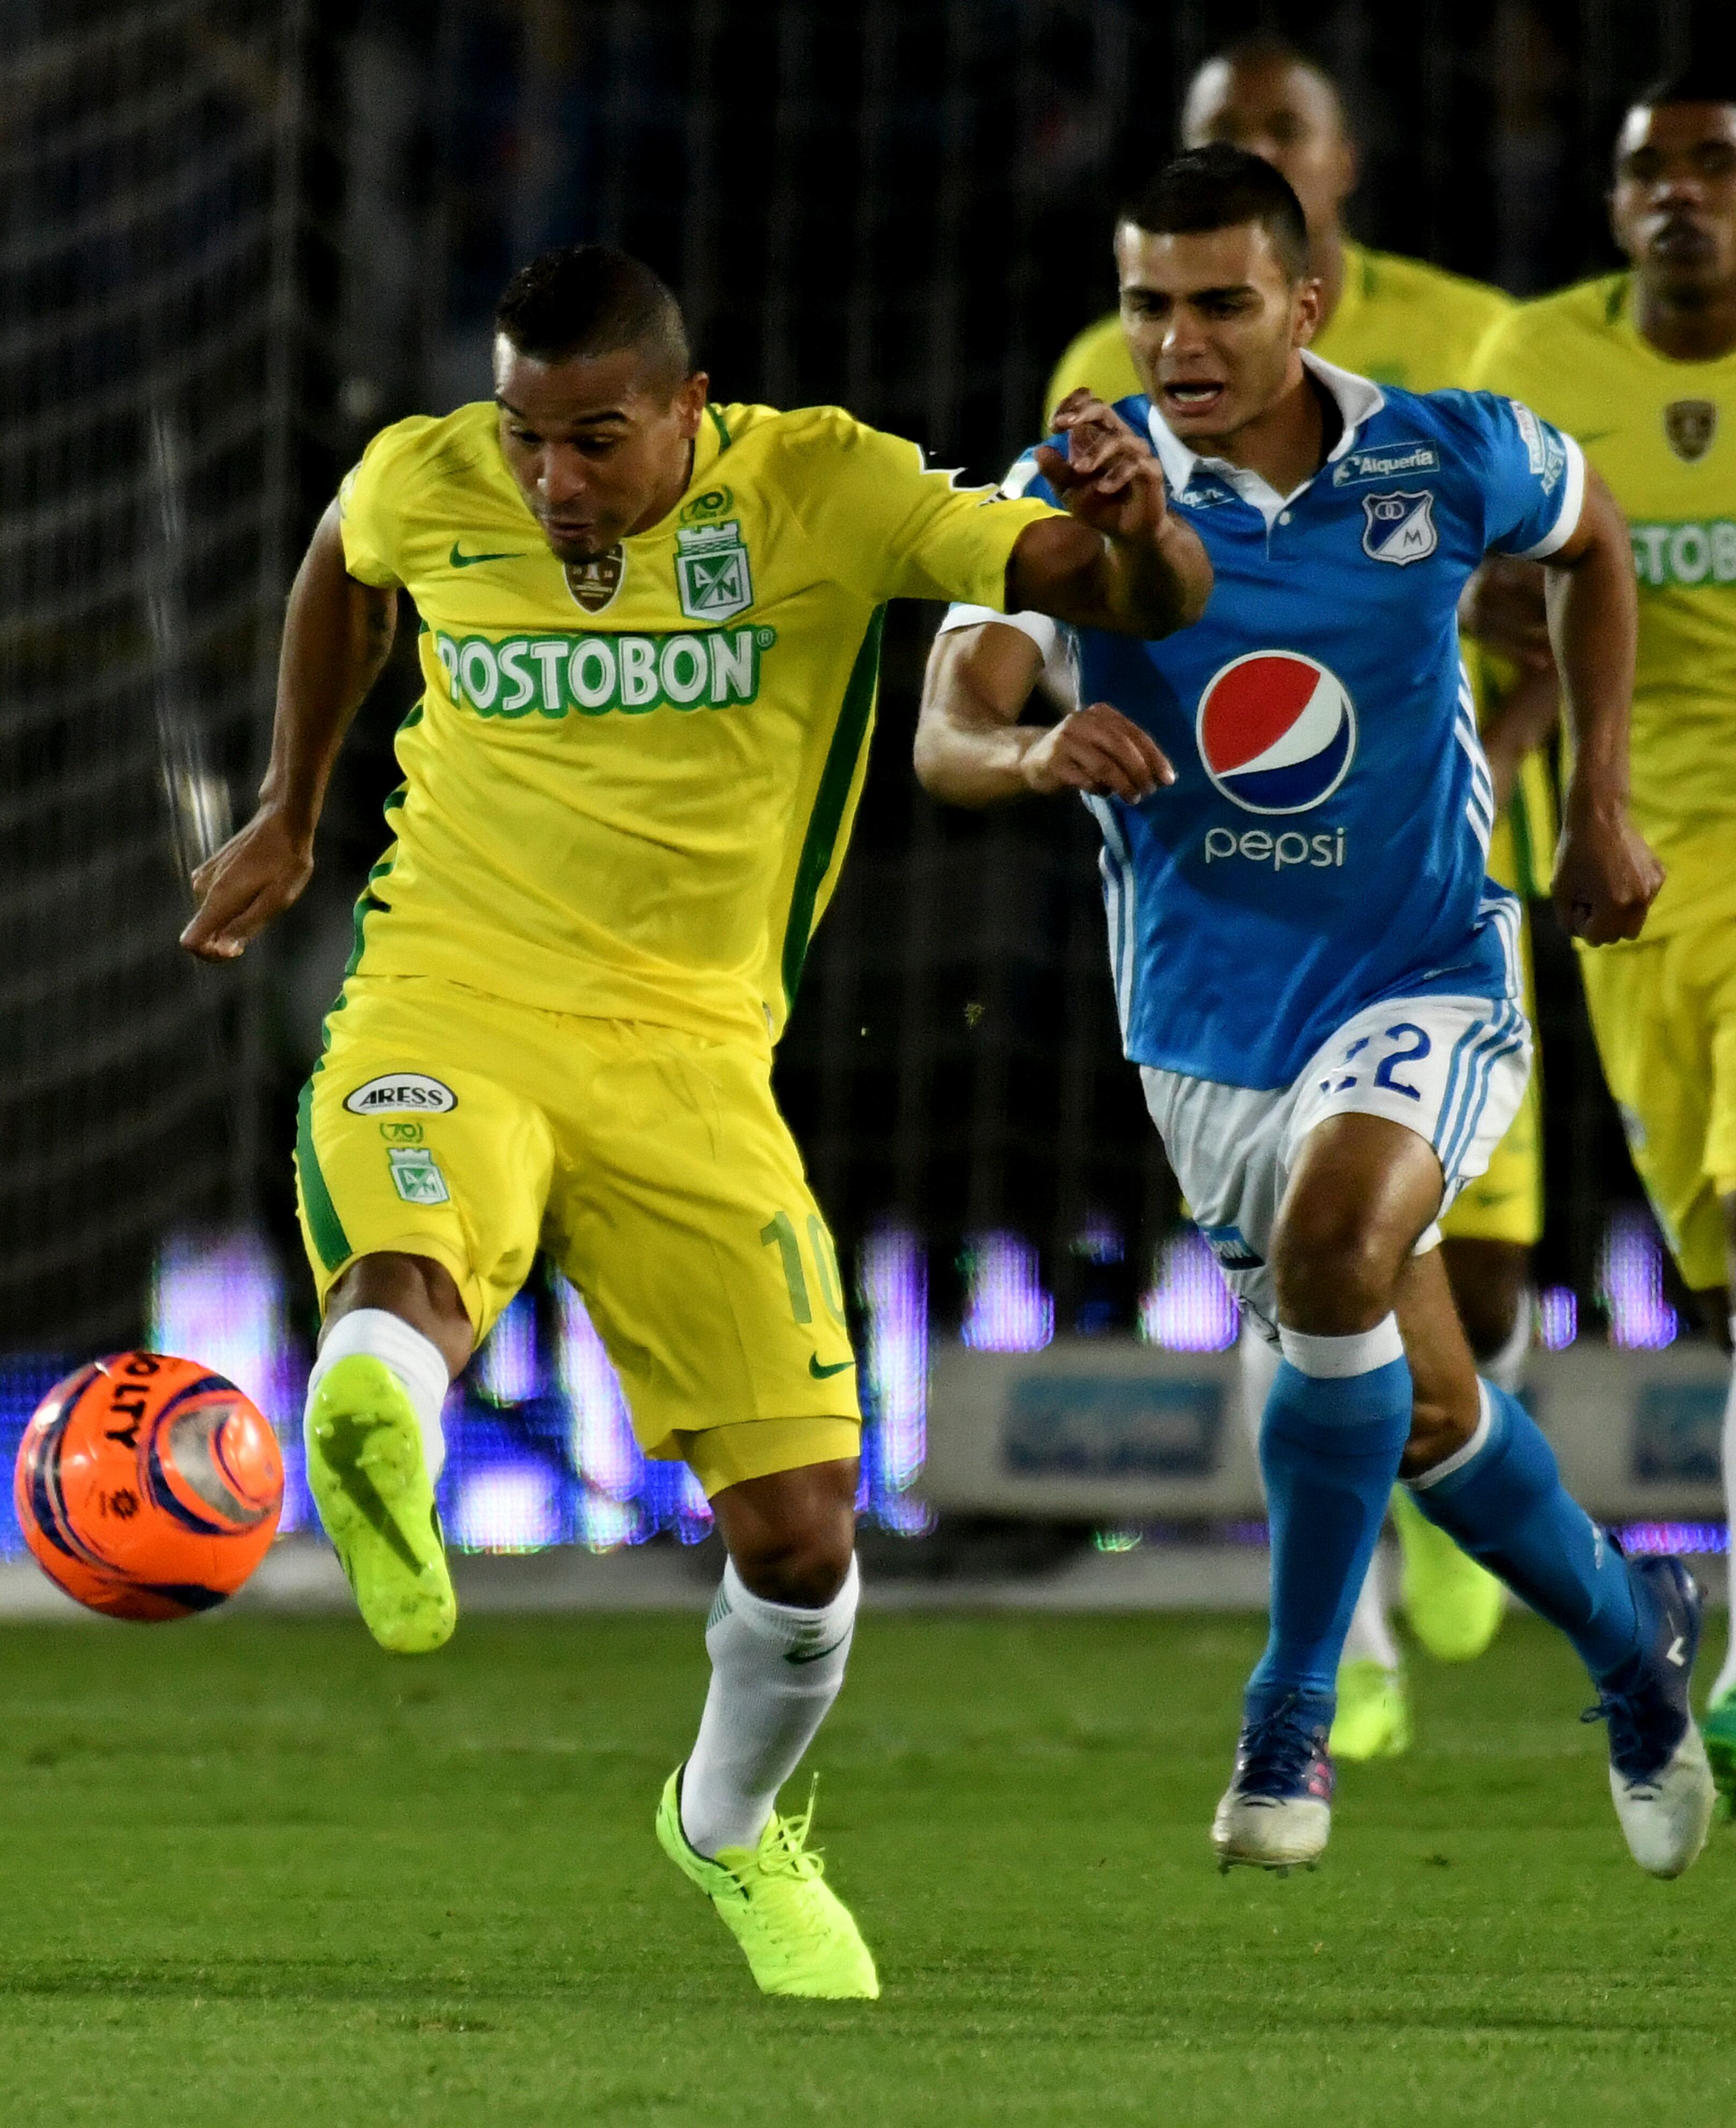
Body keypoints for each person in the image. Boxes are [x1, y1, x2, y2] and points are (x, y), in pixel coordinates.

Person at [178, 244, 1211, 1999]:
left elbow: (1120, 595)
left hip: (688, 1057)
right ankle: (379, 1438)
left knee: (804, 1536)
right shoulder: (433, 472)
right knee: (407, 1273)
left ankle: (725, 1825)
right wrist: (290, 808)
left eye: (595, 441)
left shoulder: (825, 483)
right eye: (527, 439)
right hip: (449, 994)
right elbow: (347, 566)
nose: (551, 480)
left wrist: (1134, 528)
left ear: (689, 407)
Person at [916, 146, 1714, 1879]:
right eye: (1145, 304)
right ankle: (1629, 1635)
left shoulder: (1449, 450)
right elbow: (943, 728)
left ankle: (1285, 1719)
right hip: (1207, 1026)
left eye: (1215, 302)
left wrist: (1592, 800)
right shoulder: (1068, 492)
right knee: (1422, 1411)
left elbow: (1596, 540)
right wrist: (1037, 744)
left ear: (1305, 300)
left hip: (1426, 965)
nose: (1176, 339)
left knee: (1347, 1242)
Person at [1051, 37, 1555, 1756]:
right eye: (1214, 131)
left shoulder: (1466, 342)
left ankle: (1461, 1503)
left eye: (1276, 132)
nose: (1182, 339)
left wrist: (1537, 735)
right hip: (1226, 908)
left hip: (1422, 886)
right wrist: (1042, 733)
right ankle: (1348, 1634)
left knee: (1454, 1297)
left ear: (1327, 204)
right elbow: (1066, 586)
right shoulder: (1104, 395)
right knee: (1328, 1265)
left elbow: (1542, 558)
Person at [1469, 66, 1736, 1798]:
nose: (1680, 195)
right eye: (1650, 169)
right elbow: (1464, 575)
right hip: (1640, 860)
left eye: (1713, 166)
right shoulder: (1533, 371)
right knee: (1719, 1286)